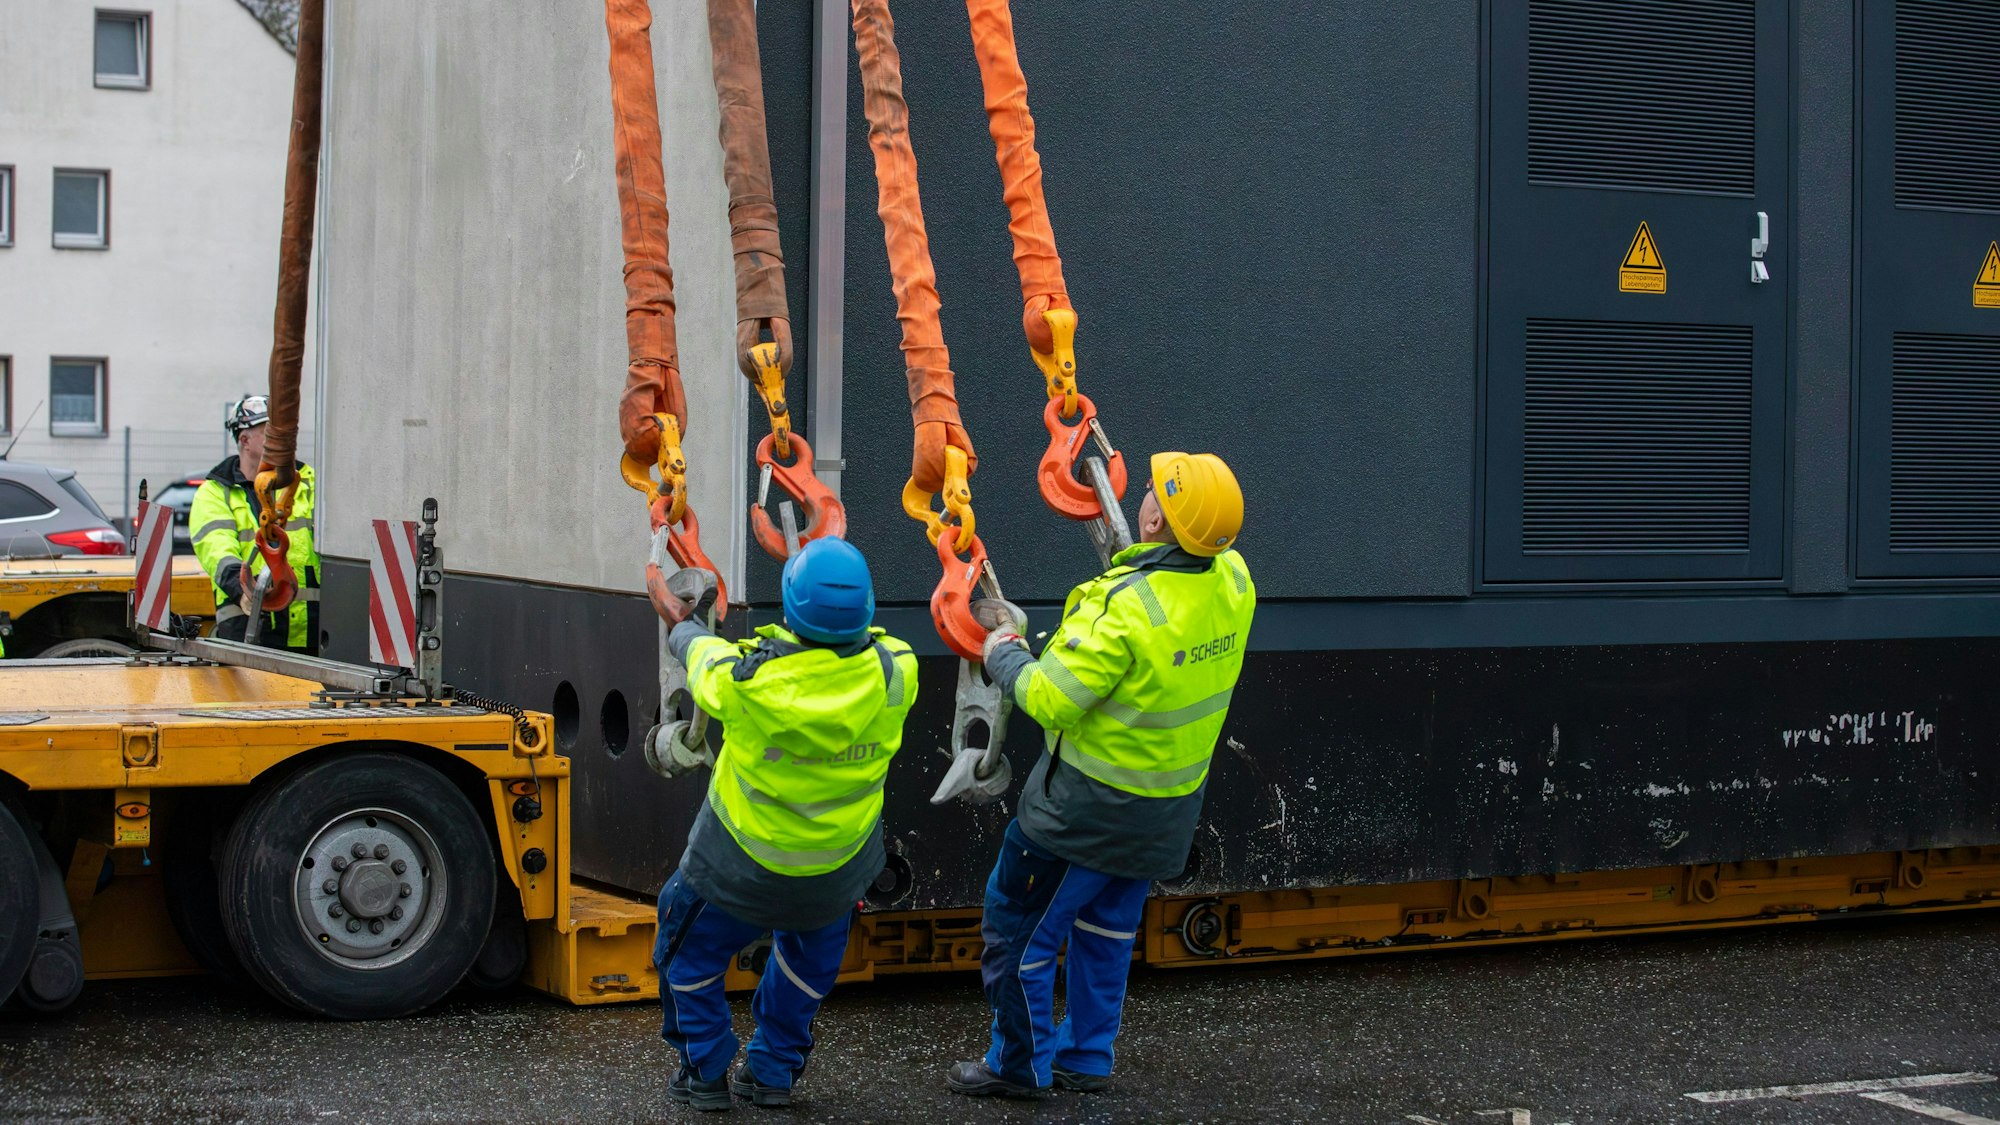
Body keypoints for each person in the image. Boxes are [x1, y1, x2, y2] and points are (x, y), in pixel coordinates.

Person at [948, 451, 1257, 1098]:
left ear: (1158, 522)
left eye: (1155, 491)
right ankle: (1087, 1054)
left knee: (1018, 934)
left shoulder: (1122, 612)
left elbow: (1050, 698)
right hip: (1162, 815)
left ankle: (1017, 1065)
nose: (1142, 491)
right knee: (1107, 932)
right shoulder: (1234, 582)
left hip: (1080, 818)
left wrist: (1004, 654)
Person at [646, 537, 919, 1111]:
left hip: (738, 869)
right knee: (805, 967)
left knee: (683, 948)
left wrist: (681, 626)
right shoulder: (898, 675)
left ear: (791, 610)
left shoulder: (751, 684)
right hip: (836, 874)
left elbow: (707, 661)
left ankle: (705, 1072)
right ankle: (771, 1074)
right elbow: (875, 647)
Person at [188, 394, 319, 653]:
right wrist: (244, 589)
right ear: (244, 440)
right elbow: (218, 551)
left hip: (313, 630)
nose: (284, 438)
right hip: (249, 629)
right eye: (271, 432)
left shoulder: (309, 483)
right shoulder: (215, 493)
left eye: (287, 431)